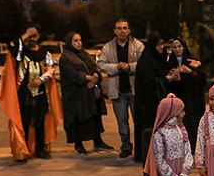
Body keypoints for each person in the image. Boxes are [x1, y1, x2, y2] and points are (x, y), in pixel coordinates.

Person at [0, 24, 62, 162]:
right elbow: (13, 48)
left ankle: (40, 149)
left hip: (40, 92)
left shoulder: (44, 53)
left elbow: (50, 69)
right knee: (24, 122)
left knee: (40, 122)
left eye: (34, 36)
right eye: (29, 36)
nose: (32, 38)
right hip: (23, 93)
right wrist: (26, 34)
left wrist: (41, 79)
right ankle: (23, 150)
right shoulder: (21, 52)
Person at [59, 32, 112, 155]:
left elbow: (94, 68)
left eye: (80, 40)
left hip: (90, 93)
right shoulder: (66, 57)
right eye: (75, 41)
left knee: (94, 117)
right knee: (78, 118)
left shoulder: (85, 54)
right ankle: (78, 144)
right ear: (69, 42)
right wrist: (87, 78)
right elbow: (71, 75)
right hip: (76, 95)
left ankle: (97, 141)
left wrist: (94, 78)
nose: (79, 43)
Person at [97, 19, 144, 159]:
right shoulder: (108, 47)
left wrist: (130, 67)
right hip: (118, 92)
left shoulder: (137, 45)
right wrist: (116, 67)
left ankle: (141, 148)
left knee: (139, 121)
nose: (122, 31)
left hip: (135, 91)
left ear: (129, 30)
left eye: (125, 28)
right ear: (115, 31)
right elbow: (101, 65)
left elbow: (144, 62)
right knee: (122, 123)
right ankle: (126, 147)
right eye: (119, 28)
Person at [133, 33, 171, 163]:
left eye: (162, 44)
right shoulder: (145, 61)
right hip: (146, 103)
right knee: (148, 128)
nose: (161, 47)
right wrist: (166, 79)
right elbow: (148, 81)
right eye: (158, 44)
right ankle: (146, 155)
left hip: (158, 102)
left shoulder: (160, 58)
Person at [164, 38, 205, 151]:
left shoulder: (192, 61)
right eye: (175, 47)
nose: (177, 49)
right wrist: (174, 78)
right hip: (178, 98)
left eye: (179, 47)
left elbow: (201, 79)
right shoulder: (170, 63)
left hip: (192, 98)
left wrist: (189, 72)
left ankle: (193, 146)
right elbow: (167, 82)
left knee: (192, 121)